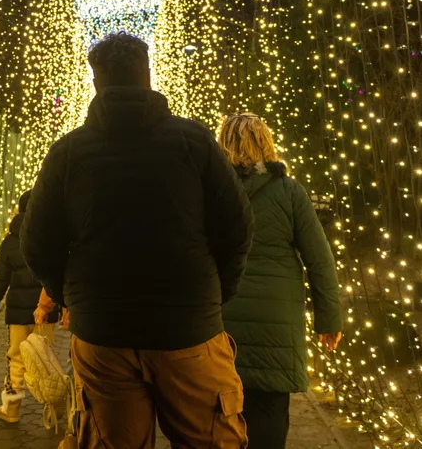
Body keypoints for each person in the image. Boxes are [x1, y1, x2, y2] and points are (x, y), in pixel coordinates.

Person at [21, 31, 255, 449]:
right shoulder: (193, 141)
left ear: (96, 82)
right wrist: (213, 295)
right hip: (190, 330)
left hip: (102, 337)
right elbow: (237, 228)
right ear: (148, 76)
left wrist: (72, 298)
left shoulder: (68, 152)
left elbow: (37, 243)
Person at [216, 113, 343, 448]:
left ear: (222, 145)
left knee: (219, 415)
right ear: (266, 144)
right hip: (275, 325)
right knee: (269, 414)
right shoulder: (289, 192)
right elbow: (319, 260)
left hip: (220, 321)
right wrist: (329, 320)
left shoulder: (210, 193)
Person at [0, 190, 60, 423]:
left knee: (16, 357)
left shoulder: (10, 241)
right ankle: (53, 409)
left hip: (17, 313)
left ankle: (12, 409)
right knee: (45, 358)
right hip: (45, 311)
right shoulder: (51, 239)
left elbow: (0, 280)